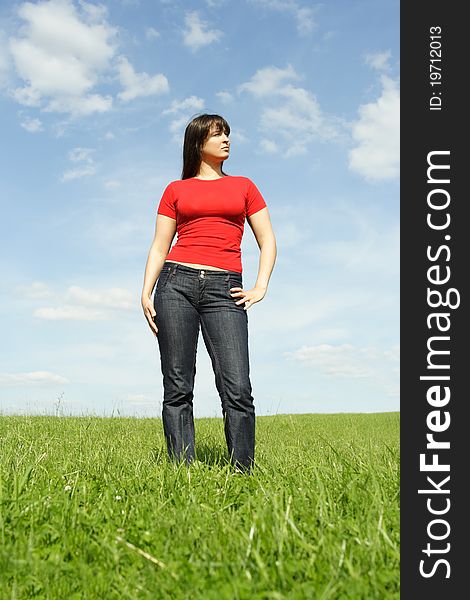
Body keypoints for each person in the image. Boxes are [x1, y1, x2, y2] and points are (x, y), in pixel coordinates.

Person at [141, 113, 277, 473]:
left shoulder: (244, 186)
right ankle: (182, 472)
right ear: (198, 142)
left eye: (228, 133)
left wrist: (260, 285)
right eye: (218, 134)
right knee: (178, 385)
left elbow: (268, 240)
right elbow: (159, 245)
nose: (227, 139)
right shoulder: (176, 190)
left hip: (225, 289)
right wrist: (145, 291)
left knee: (237, 387)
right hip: (175, 284)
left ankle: (242, 472)